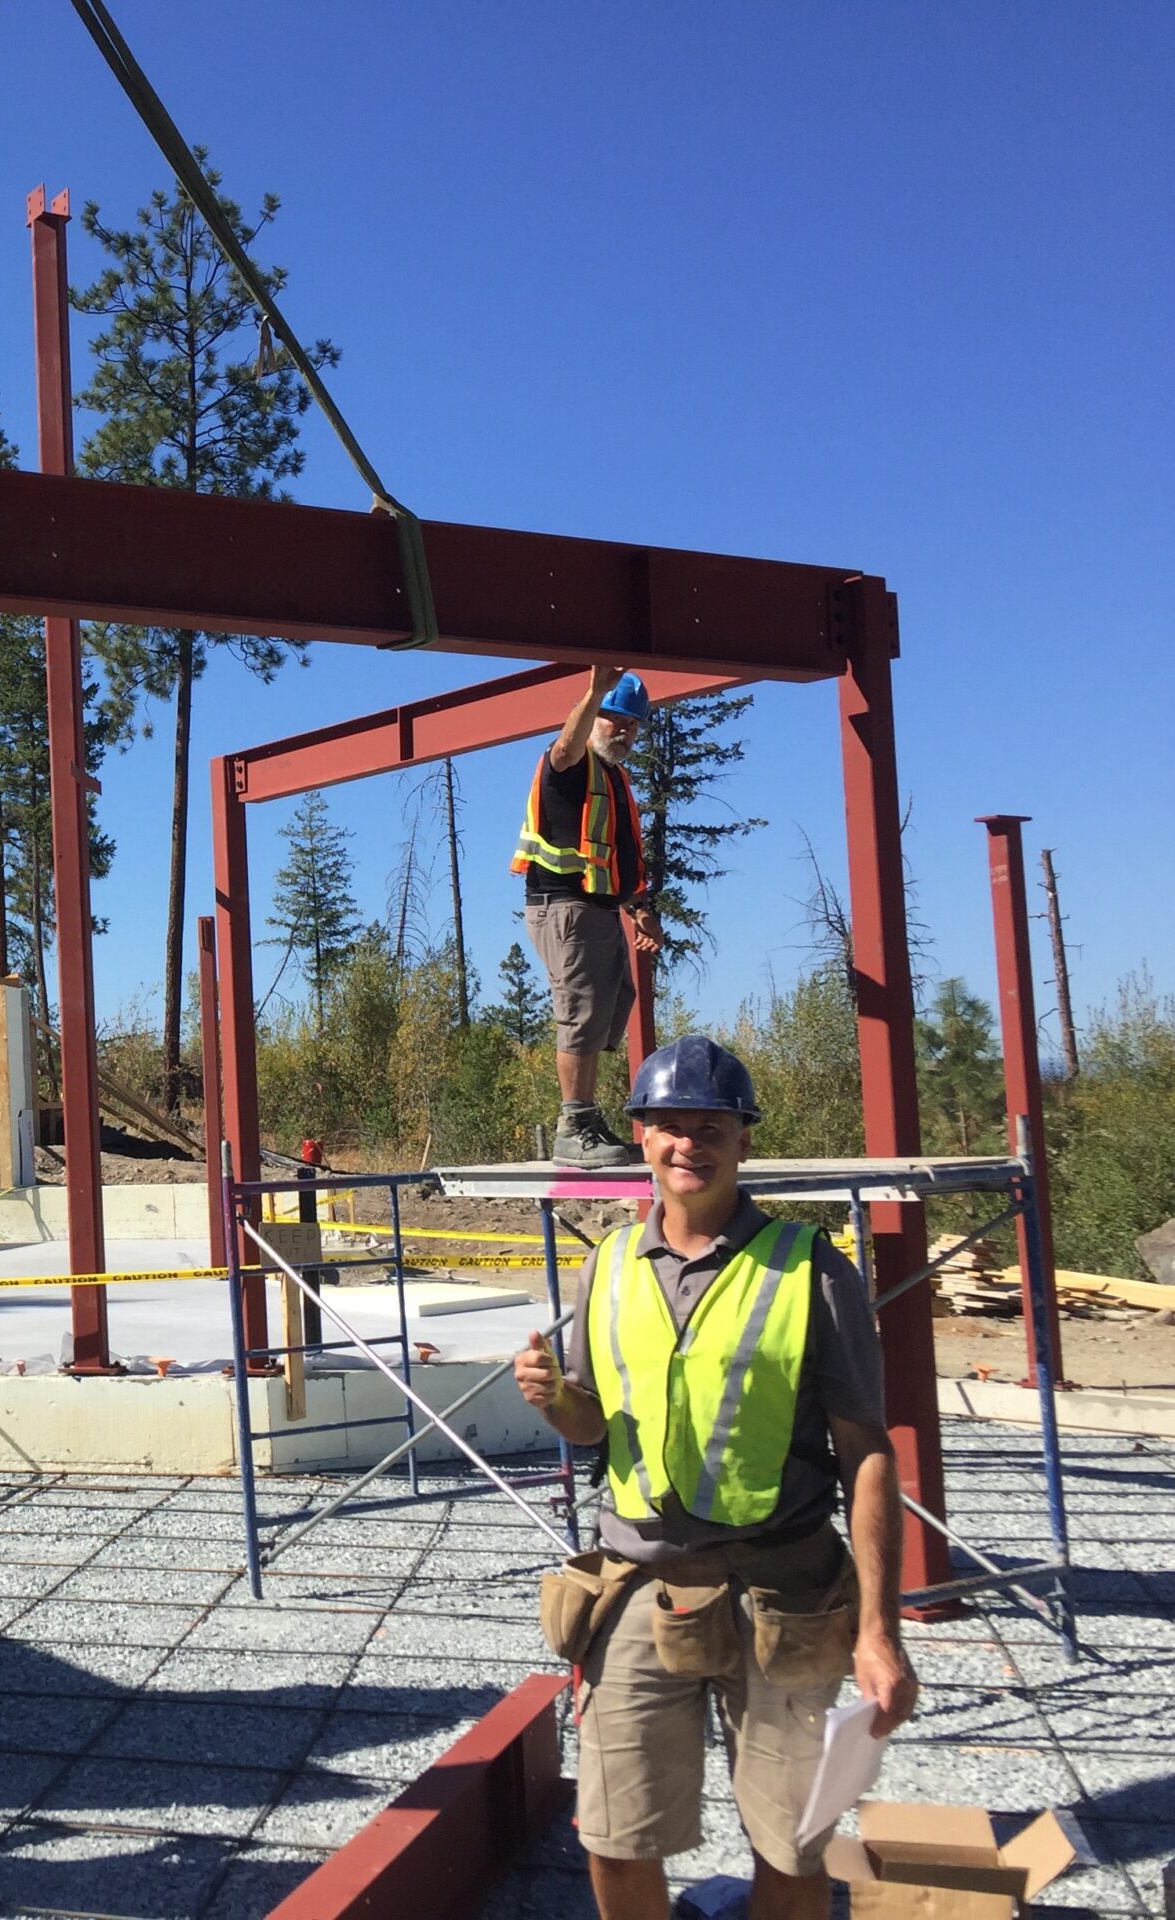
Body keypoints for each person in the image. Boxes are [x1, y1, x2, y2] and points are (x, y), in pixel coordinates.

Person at [514, 1035, 918, 1920]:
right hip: (639, 1588)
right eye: (667, 1126)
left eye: (709, 1127)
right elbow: (598, 1426)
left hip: (781, 1591)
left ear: (743, 1141)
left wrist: (879, 1630)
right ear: (640, 1138)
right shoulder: (606, 1266)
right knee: (615, 1838)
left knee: (792, 1841)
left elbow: (867, 1450)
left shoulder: (812, 1268)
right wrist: (557, 1402)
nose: (686, 1144)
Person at [511, 664, 664, 1167]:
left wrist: (639, 909)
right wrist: (594, 691)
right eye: (612, 718)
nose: (623, 729)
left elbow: (619, 853)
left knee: (610, 1000)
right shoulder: (570, 765)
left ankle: (586, 1115)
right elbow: (564, 747)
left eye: (632, 723)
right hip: (565, 910)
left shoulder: (614, 778)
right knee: (581, 1011)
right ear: (591, 716)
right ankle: (572, 1126)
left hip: (597, 910)